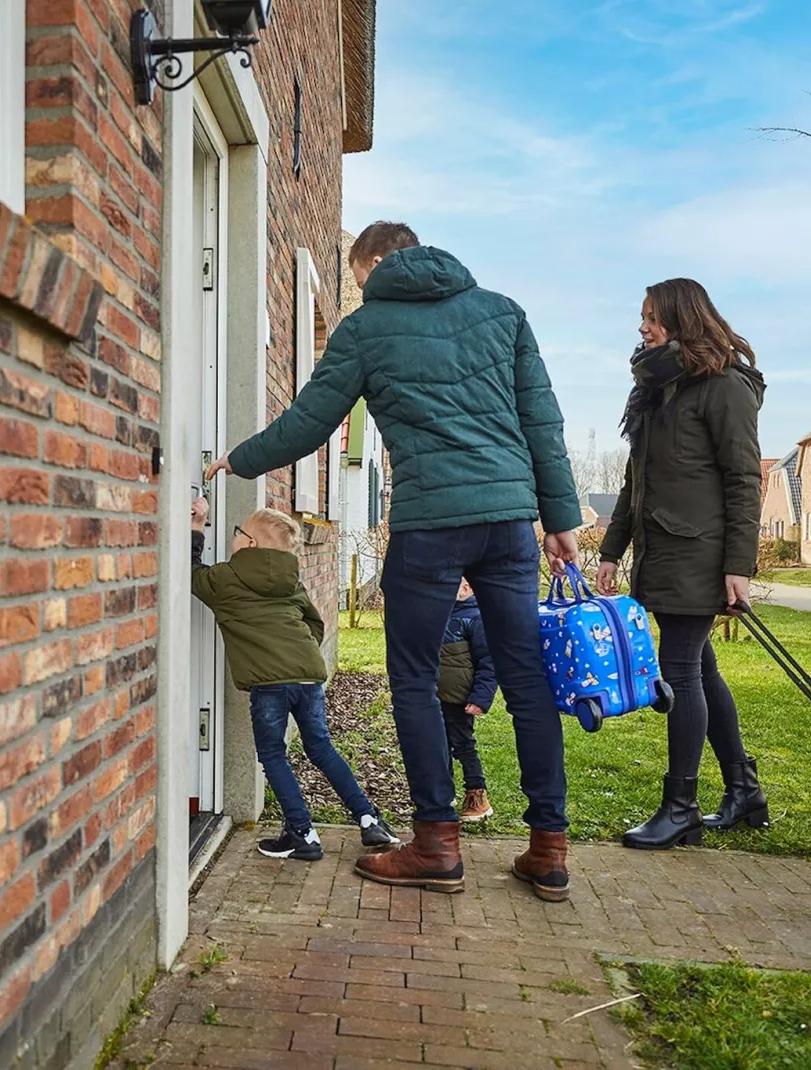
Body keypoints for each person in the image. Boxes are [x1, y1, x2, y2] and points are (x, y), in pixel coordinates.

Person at [206, 222, 581, 900]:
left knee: (412, 677)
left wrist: (239, 458)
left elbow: (311, 420)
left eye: (357, 278)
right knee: (526, 678)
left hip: (431, 525)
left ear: (378, 261)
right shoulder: (503, 312)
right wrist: (560, 522)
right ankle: (549, 851)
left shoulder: (368, 326)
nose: (360, 290)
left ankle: (437, 844)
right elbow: (542, 424)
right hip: (508, 523)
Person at [594, 278, 769, 850]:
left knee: (680, 671)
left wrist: (738, 566)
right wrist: (611, 551)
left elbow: (745, 479)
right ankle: (744, 790)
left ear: (681, 318)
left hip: (700, 552)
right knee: (701, 669)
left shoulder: (724, 387)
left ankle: (681, 808)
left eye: (651, 317)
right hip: (662, 552)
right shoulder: (656, 389)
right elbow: (634, 482)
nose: (642, 327)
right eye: (641, 317)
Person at [191, 498, 399, 860]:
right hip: (308, 677)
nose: (233, 537)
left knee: (272, 755)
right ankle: (369, 820)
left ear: (251, 543)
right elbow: (315, 624)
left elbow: (191, 575)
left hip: (269, 685)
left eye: (238, 532)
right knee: (321, 748)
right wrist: (297, 656)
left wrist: (197, 526)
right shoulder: (292, 581)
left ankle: (303, 834)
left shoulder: (224, 578)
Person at [440, 579, 496, 822]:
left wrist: (480, 698)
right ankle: (443, 792)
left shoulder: (476, 618)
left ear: (467, 589)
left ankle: (477, 796)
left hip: (459, 698)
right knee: (438, 744)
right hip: (436, 694)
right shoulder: (440, 614)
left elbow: (489, 661)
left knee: (463, 744)